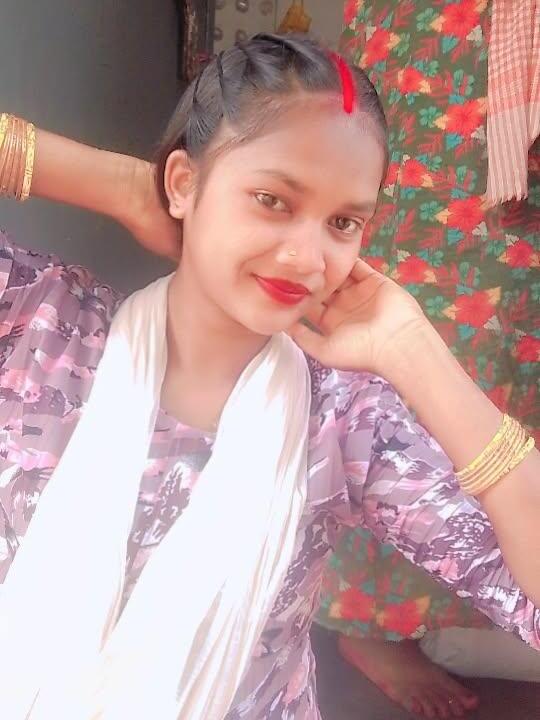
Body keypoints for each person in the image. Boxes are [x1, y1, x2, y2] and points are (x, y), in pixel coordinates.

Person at [0, 33, 538, 720]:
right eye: (273, 200)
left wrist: (417, 355)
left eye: (343, 222)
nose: (307, 257)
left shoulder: (342, 420)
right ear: (184, 183)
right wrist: (125, 187)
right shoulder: (43, 322)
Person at [317, 0, 540, 715]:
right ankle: (370, 620)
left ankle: (513, 597)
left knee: (520, 330)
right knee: (424, 315)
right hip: (441, 51)